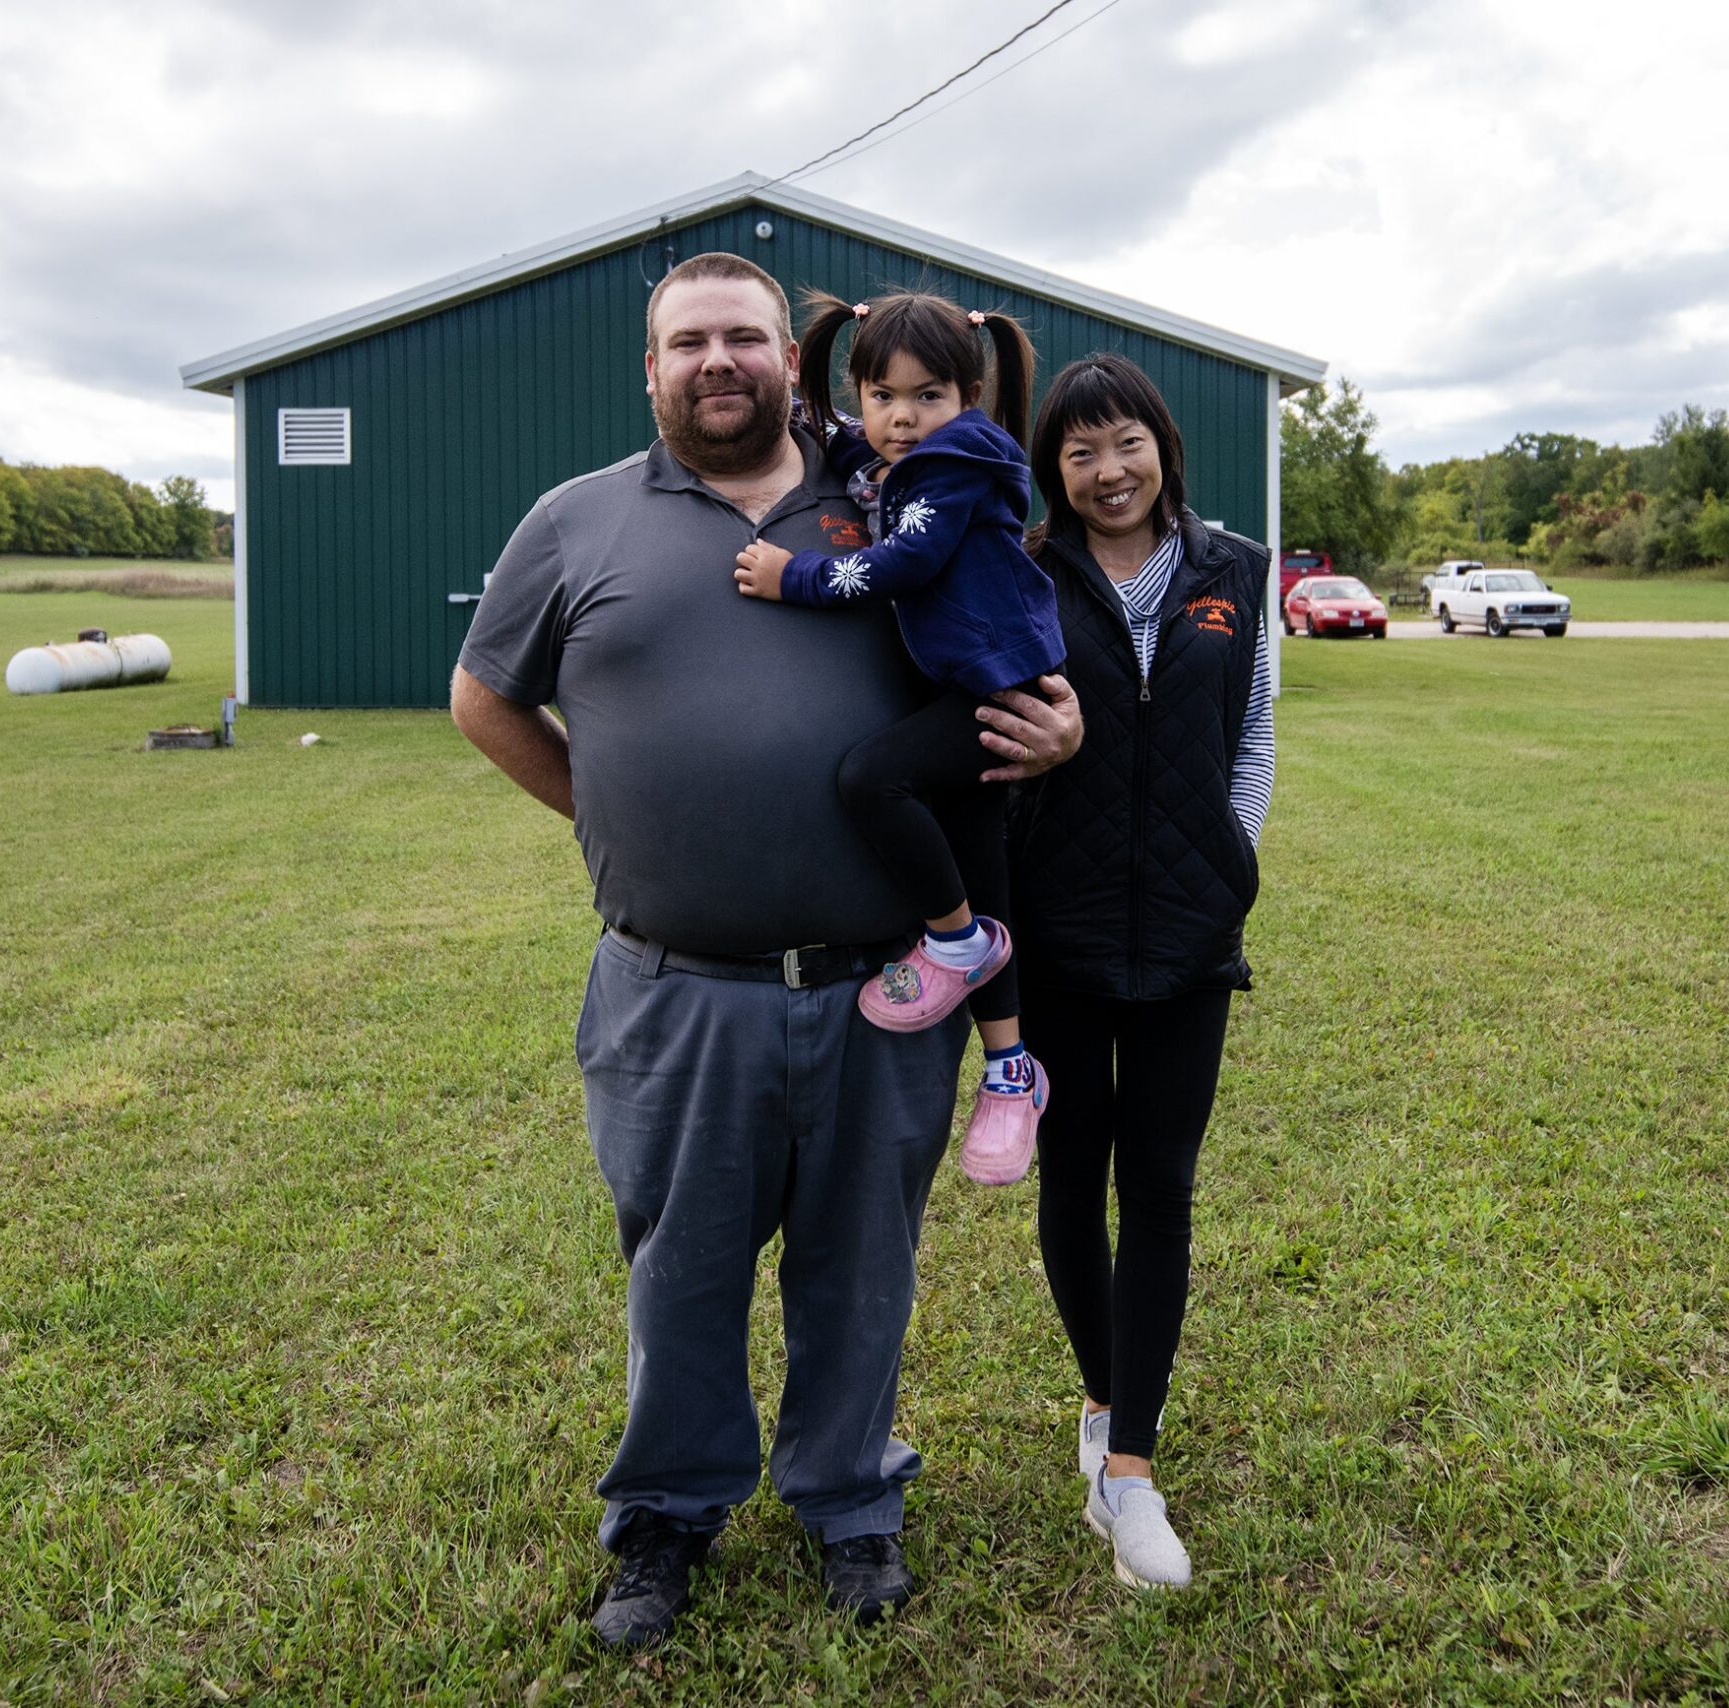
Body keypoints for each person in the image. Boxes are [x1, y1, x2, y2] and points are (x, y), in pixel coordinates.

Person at [449, 252, 1082, 1649]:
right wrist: (601, 815)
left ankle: (851, 1502)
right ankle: (667, 1517)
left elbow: (1015, 650)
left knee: (860, 1266)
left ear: (792, 360)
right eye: (690, 342)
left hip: (880, 988)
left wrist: (1064, 727)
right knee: (679, 1268)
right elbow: (483, 699)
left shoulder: (892, 488)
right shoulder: (577, 521)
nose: (719, 361)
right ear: (652, 366)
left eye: (746, 336)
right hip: (673, 990)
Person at [1007, 353, 1275, 1591]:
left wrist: (1230, 862)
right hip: (1056, 933)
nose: (1107, 471)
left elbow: (1253, 734)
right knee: (1074, 1181)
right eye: (1079, 451)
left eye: (1126, 444)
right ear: (1053, 468)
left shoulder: (1234, 573)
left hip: (1186, 937)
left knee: (1159, 1189)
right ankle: (1104, 1404)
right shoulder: (1018, 572)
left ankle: (1131, 1470)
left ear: (1161, 446)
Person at [732, 289, 1064, 1186]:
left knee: (871, 780)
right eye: (883, 396)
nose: (902, 418)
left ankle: (951, 944)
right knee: (979, 868)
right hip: (958, 684)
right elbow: (839, 436)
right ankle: (1010, 1073)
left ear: (969, 396)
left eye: (927, 396)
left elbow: (906, 563)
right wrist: (823, 406)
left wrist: (790, 575)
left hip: (998, 683)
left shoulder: (958, 463)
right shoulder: (894, 454)